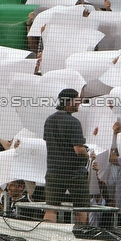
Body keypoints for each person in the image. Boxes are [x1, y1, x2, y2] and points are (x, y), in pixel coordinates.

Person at [42, 88, 90, 223]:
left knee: (51, 209)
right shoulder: (74, 123)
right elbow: (79, 150)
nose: (80, 102)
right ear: (69, 103)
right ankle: (81, 237)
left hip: (53, 172)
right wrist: (89, 156)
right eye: (77, 99)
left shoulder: (49, 120)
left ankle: (47, 238)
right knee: (81, 208)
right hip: (74, 173)